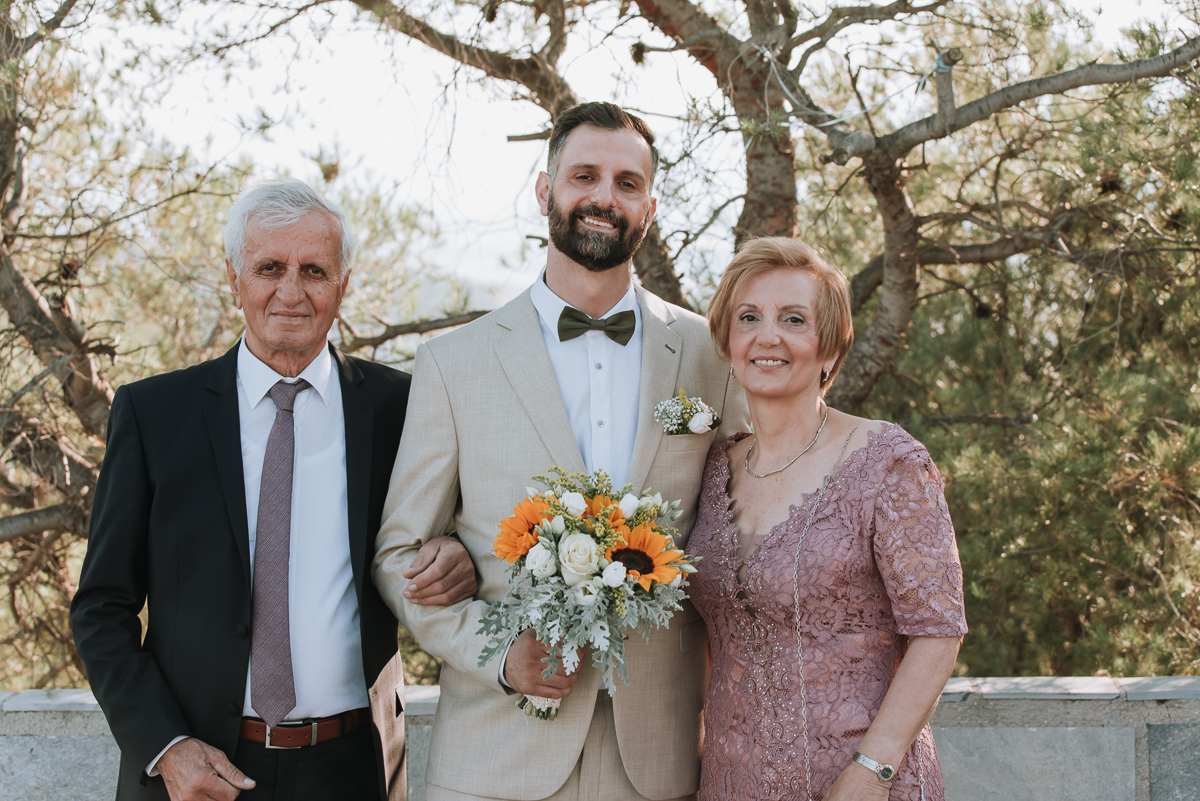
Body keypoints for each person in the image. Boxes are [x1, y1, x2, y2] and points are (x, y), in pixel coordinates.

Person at [372, 102, 749, 801]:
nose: (605, 197)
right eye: (584, 176)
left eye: (627, 183)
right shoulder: (454, 363)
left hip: (660, 761)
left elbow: (749, 525)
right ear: (545, 190)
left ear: (650, 208)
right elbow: (399, 556)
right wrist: (500, 654)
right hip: (495, 759)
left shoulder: (712, 354)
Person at [70, 179, 476, 801]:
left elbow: (462, 527)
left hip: (354, 768)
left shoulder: (403, 407)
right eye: (269, 268)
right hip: (199, 771)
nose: (291, 291)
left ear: (344, 283)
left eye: (314, 270)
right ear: (233, 279)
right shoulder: (154, 415)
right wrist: (166, 747)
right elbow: (101, 608)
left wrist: (457, 550)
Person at [687, 237, 968, 801]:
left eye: (794, 319)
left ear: (831, 350)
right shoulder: (712, 467)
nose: (768, 336)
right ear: (727, 339)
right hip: (731, 783)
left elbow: (938, 632)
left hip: (859, 785)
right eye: (749, 317)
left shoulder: (887, 461)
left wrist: (872, 770)